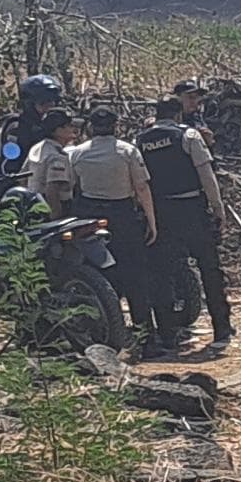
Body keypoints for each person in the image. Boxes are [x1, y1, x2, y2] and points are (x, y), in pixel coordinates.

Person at [68, 107, 169, 356]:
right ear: (116, 126)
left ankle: (103, 335)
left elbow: (73, 188)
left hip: (88, 217)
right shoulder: (127, 151)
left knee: (97, 275)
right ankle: (145, 338)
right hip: (122, 216)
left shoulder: (77, 154)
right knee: (135, 276)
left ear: (91, 127)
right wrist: (152, 222)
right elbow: (142, 188)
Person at [138, 96, 233, 351]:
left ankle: (167, 333)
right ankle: (221, 327)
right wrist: (218, 208)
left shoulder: (140, 141)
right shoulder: (188, 135)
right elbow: (206, 175)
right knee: (209, 268)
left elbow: (139, 181)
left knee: (162, 273)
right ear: (179, 114)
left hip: (160, 212)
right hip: (191, 210)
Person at [21, 108, 79, 207]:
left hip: (34, 203)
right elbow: (52, 189)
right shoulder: (56, 155)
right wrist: (56, 214)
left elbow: (22, 179)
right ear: (57, 130)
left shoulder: (36, 147)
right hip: (55, 205)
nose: (73, 129)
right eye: (68, 126)